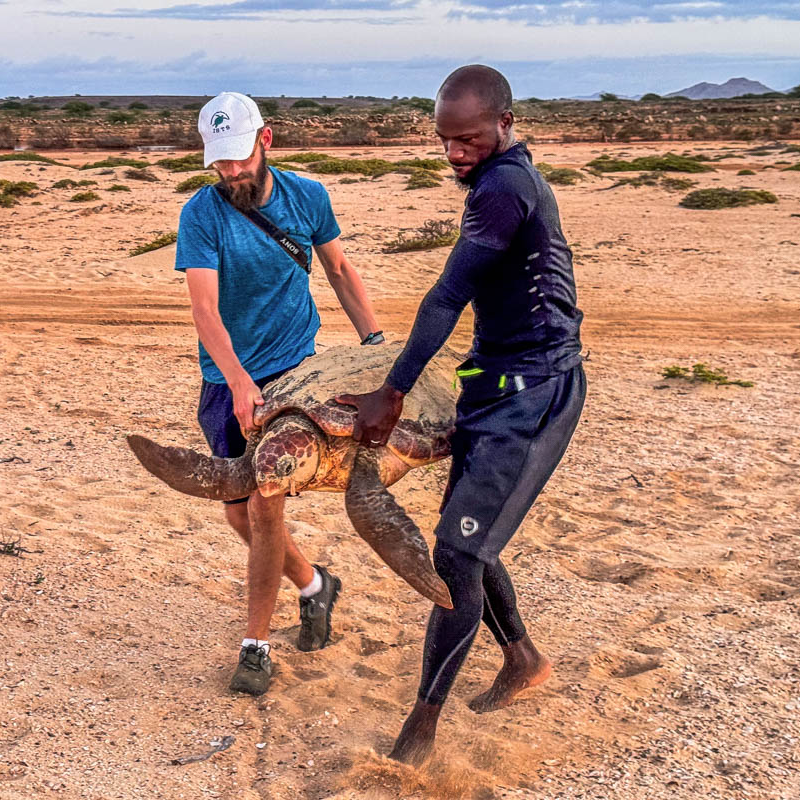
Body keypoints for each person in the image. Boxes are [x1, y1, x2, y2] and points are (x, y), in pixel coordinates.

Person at [336, 65, 586, 763]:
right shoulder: (498, 177)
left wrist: (395, 390)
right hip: (496, 383)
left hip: (536, 394)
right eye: (445, 140)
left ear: (506, 124)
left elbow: (447, 296)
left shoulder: (506, 187)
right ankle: (523, 659)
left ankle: (423, 722)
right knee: (469, 540)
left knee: (457, 552)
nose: (454, 153)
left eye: (468, 138)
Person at [175, 92, 383, 696]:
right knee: (238, 511)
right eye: (220, 162)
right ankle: (316, 585)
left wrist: (374, 343)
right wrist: (238, 380)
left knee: (265, 506)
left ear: (266, 141)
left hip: (292, 374)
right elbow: (205, 310)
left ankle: (256, 647)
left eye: (239, 158)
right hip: (226, 379)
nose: (232, 172)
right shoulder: (202, 214)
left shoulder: (307, 197)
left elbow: (340, 271)